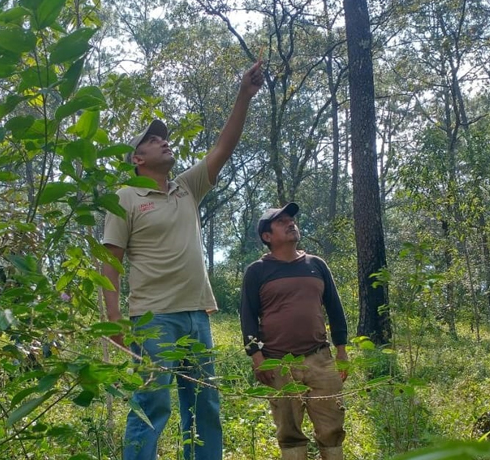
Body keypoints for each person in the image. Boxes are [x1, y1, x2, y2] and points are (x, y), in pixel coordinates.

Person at [102, 61, 263, 460]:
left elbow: (224, 147)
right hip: (153, 318)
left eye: (163, 138)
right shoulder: (124, 197)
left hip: (197, 315)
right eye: (153, 140)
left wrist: (243, 95)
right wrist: (113, 325)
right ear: (137, 159)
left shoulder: (186, 188)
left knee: (205, 405)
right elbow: (109, 265)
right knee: (153, 404)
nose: (163, 141)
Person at [240, 202, 349, 460]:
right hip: (278, 362)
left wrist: (342, 352)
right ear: (267, 236)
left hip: (320, 359)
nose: (291, 223)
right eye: (281, 222)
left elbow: (335, 309)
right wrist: (257, 358)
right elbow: (247, 316)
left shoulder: (316, 265)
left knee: (332, 426)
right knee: (289, 432)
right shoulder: (257, 271)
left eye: (292, 220)